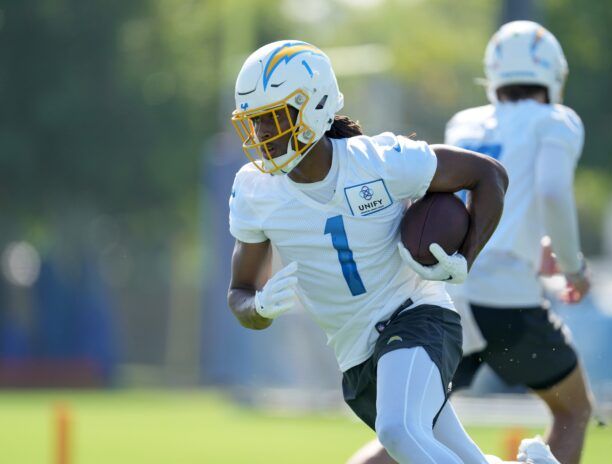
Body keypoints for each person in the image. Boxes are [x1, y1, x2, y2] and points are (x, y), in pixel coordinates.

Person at [225, 39, 569, 464]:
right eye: (256, 122)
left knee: (398, 431)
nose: (263, 135)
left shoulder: (379, 160)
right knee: (454, 454)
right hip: (356, 354)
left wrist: (467, 258)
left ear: (313, 106)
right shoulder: (255, 190)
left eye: (274, 118)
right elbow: (238, 292)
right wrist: (257, 307)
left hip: (416, 314)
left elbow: (488, 174)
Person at [347, 20, 594, 464]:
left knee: (412, 427)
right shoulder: (557, 121)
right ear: (553, 75)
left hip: (451, 295)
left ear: (493, 74)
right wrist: (573, 267)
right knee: (574, 410)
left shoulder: (465, 123)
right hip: (509, 302)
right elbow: (553, 192)